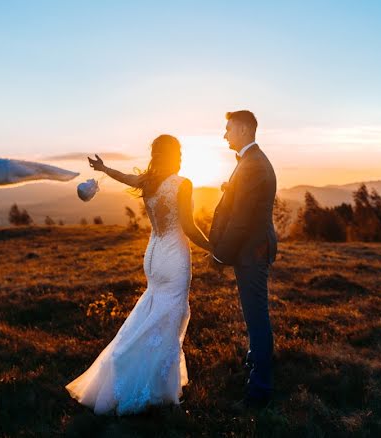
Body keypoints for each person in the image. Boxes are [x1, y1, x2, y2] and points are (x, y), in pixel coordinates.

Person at [65, 134, 211, 415]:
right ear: (173, 155)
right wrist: (215, 247)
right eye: (178, 152)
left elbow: (123, 177)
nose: (181, 157)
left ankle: (134, 368)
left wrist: (104, 169)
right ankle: (156, 388)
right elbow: (190, 228)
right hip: (174, 257)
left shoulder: (149, 181)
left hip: (153, 255)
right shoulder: (182, 184)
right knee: (170, 318)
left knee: (154, 311)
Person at [209, 110, 278, 410]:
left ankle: (260, 389)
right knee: (253, 314)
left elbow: (241, 219)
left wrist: (219, 254)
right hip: (249, 249)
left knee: (256, 316)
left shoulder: (253, 166)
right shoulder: (249, 162)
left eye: (229, 129)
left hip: (252, 251)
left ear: (245, 129)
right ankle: (255, 362)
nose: (225, 135)